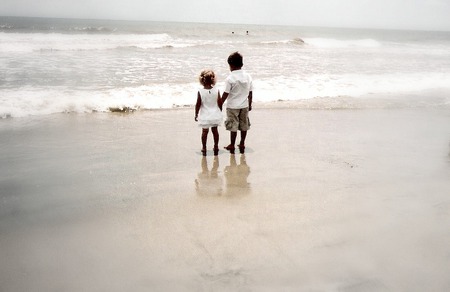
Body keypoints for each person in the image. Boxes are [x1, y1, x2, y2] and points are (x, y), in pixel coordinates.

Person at [221, 52, 253, 154]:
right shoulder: (248, 76)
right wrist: (250, 104)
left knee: (233, 126)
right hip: (244, 105)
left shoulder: (230, 78)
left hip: (232, 106)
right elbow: (250, 92)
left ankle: (232, 144)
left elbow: (226, 93)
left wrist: (220, 103)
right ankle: (242, 143)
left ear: (231, 65)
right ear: (242, 64)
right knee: (244, 125)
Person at [195, 69, 222, 156]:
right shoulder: (216, 90)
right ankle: (216, 146)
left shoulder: (200, 91)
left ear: (202, 80)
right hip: (214, 114)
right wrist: (220, 111)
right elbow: (220, 102)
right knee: (215, 131)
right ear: (213, 80)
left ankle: (204, 147)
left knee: (204, 132)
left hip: (205, 115)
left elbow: (198, 104)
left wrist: (196, 114)